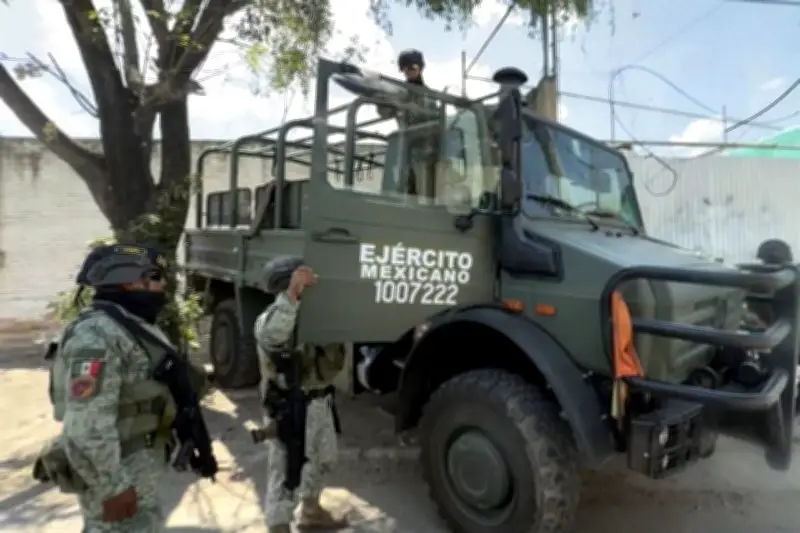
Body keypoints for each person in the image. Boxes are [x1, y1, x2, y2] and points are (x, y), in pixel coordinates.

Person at [33, 244, 211, 531]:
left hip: (138, 468)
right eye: (155, 276)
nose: (162, 284)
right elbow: (87, 425)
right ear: (128, 280)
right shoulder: (95, 336)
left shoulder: (132, 326)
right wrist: (114, 486)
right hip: (118, 472)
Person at [255, 256, 349, 533]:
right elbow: (273, 335)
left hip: (320, 401)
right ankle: (279, 524)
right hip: (291, 407)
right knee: (286, 471)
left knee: (322, 460)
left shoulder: (316, 321)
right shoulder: (273, 318)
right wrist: (293, 294)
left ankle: (311, 513)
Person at [377, 49, 440, 201]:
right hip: (406, 151)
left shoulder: (430, 95)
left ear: (421, 68)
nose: (409, 71)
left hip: (427, 152)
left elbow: (438, 120)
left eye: (413, 67)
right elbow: (384, 112)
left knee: (427, 196)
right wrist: (380, 97)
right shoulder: (398, 92)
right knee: (402, 194)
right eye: (405, 68)